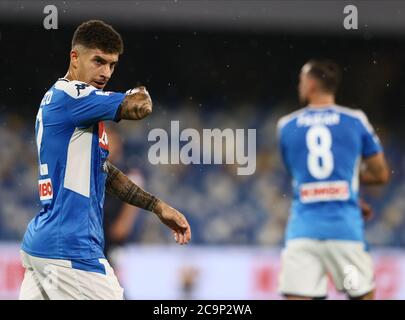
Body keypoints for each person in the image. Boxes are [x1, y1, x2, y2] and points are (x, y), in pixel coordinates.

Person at [19, 20, 191, 300]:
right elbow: (140, 106)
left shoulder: (58, 101)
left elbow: (103, 172)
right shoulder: (75, 96)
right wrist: (141, 88)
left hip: (43, 247)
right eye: (98, 61)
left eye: (111, 65)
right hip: (73, 252)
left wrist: (157, 206)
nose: (105, 72)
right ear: (74, 57)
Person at [276, 59, 390, 300]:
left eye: (301, 81)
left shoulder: (286, 126)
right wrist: (349, 187)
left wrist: (325, 189)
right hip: (344, 229)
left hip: (303, 231)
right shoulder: (355, 120)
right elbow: (380, 174)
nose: (299, 86)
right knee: (362, 295)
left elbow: (299, 175)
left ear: (311, 84)